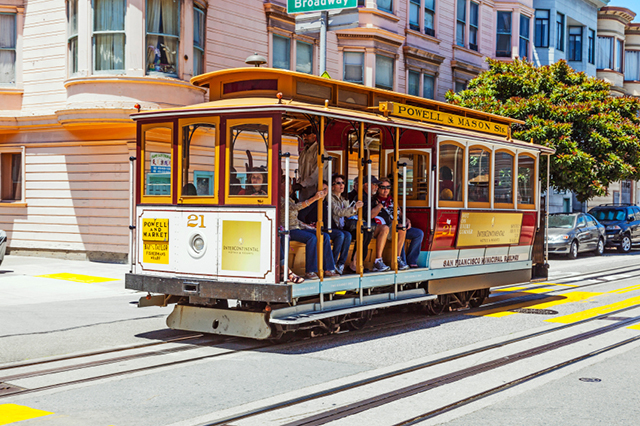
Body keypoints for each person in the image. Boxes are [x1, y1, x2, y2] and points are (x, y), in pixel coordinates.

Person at [279, 175, 338, 280]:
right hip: (288, 230)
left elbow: (295, 220)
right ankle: (310, 271)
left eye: (289, 183)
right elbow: (295, 207)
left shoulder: (290, 199)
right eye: (284, 183)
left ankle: (328, 268)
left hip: (296, 227)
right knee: (312, 238)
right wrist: (314, 198)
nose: (287, 186)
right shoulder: (280, 200)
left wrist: (309, 227)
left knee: (323, 236)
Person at [299, 178, 357, 275]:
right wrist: (308, 224)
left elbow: (329, 219)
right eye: (321, 189)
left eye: (325, 189)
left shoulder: (325, 202)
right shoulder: (312, 201)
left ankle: (341, 264)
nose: (323, 192)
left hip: (327, 228)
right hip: (316, 228)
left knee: (347, 235)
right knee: (340, 235)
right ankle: (332, 265)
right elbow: (301, 215)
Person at [374, 177, 425, 269]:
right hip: (387, 227)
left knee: (418, 233)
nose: (386, 190)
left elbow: (400, 214)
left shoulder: (392, 200)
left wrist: (407, 220)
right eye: (383, 187)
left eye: (388, 187)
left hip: (399, 225)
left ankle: (412, 261)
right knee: (400, 230)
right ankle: (401, 261)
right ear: (378, 188)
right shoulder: (375, 200)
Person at [348, 175, 390, 273]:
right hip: (353, 226)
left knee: (369, 231)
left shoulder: (369, 197)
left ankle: (361, 263)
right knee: (365, 233)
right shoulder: (361, 196)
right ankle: (354, 264)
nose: (376, 187)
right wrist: (379, 206)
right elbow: (368, 215)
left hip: (365, 226)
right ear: (366, 185)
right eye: (374, 184)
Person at [296, 127, 328, 201]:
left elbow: (317, 173)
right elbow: (300, 171)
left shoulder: (320, 151)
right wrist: (298, 183)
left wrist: (302, 184)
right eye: (304, 135)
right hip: (304, 192)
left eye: (307, 134)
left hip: (316, 192)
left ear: (314, 136)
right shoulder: (303, 152)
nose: (305, 137)